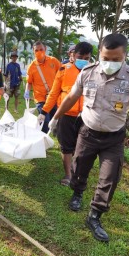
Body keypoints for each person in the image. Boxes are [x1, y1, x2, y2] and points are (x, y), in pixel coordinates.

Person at [49, 33, 129, 242]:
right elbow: (72, 96)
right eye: (106, 58)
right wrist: (55, 118)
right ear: (99, 54)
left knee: (109, 178)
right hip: (88, 132)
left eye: (116, 59)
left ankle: (94, 216)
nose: (110, 63)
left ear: (125, 56)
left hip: (113, 137)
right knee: (79, 167)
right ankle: (77, 193)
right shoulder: (87, 72)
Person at [38, 42, 93, 186]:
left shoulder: (94, 72)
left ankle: (78, 171)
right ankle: (68, 175)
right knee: (66, 146)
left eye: (87, 58)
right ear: (73, 56)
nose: (83, 60)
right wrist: (44, 111)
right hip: (66, 114)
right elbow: (54, 93)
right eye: (80, 56)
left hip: (87, 116)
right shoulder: (63, 70)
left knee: (82, 147)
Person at [25, 41, 61, 133]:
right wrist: (27, 91)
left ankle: (56, 137)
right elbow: (29, 82)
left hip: (53, 97)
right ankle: (43, 139)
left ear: (45, 49)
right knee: (45, 120)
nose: (39, 52)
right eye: (36, 50)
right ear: (33, 51)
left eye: (41, 49)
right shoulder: (31, 67)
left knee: (56, 120)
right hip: (40, 98)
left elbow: (62, 74)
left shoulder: (53, 61)